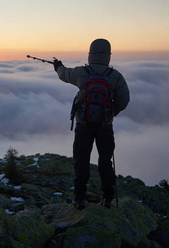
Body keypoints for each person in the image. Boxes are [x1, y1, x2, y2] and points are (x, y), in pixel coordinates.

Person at [54, 39, 130, 209]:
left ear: (90, 54)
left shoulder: (82, 73)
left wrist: (58, 66)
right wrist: (111, 113)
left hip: (83, 125)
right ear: (108, 55)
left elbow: (64, 74)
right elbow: (124, 100)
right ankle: (107, 198)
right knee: (105, 161)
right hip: (105, 126)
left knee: (81, 160)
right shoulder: (115, 76)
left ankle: (79, 198)